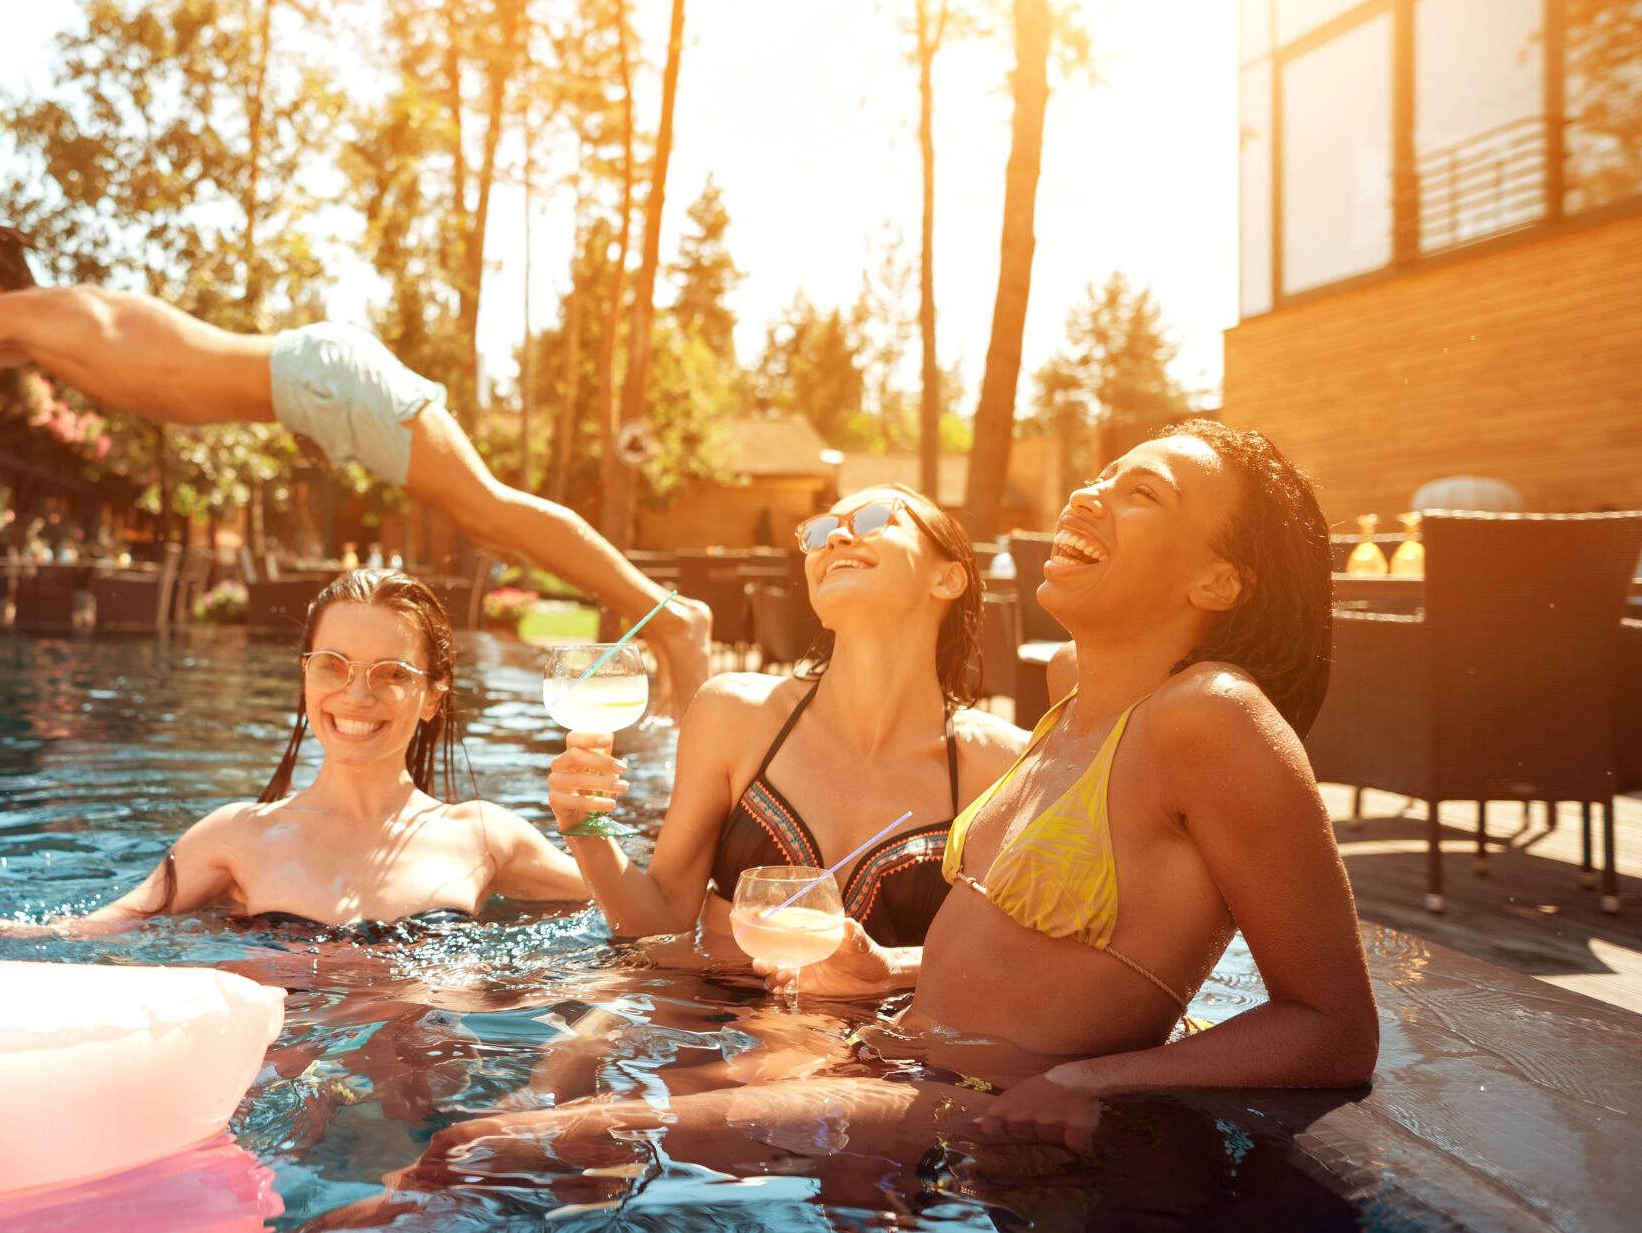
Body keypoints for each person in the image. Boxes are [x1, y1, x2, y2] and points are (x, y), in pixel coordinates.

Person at [380, 421, 1374, 1184]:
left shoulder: (1209, 716)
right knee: (493, 1137)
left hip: (953, 1102)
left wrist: (1088, 1081)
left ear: (1218, 576)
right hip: (874, 1056)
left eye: (1142, 491)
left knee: (477, 1152)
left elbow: (1331, 1024)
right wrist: (881, 967)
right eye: (1102, 474)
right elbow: (1026, 952)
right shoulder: (1069, 723)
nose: (1091, 491)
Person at [0, 226, 714, 713]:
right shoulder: (47, 330)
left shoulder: (36, 309)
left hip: (319, 379)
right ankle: (662, 617)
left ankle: (670, 618)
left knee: (490, 510)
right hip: (316, 383)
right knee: (487, 513)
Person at [548, 485, 1026, 958]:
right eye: (820, 532)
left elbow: (1012, 965)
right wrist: (584, 828)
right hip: (713, 1022)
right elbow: (659, 924)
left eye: (874, 518)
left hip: (884, 1032)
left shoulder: (1001, 766)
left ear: (947, 579)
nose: (835, 539)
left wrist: (892, 972)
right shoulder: (734, 715)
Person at [60, 570, 589, 929]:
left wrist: (586, 821)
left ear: (432, 698)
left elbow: (637, 909)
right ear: (305, 676)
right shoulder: (238, 835)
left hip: (436, 1085)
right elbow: (89, 936)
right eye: (332, 664)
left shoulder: (483, 835)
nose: (357, 696)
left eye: (392, 673)